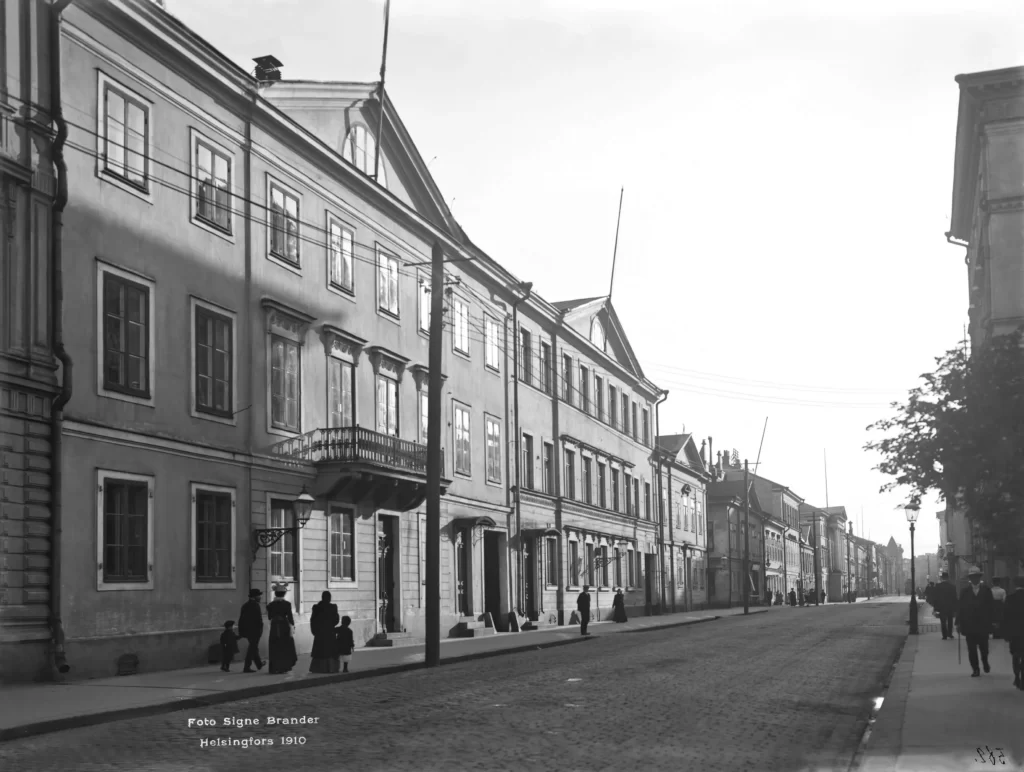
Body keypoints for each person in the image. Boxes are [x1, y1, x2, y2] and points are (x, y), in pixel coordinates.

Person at [956, 566, 994, 677]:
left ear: (979, 577)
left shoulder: (986, 590)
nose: (974, 579)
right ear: (970, 578)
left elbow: (991, 607)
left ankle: (985, 662)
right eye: (972, 577)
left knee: (984, 649)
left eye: (976, 577)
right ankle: (975, 669)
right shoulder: (965, 591)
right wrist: (958, 623)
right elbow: (960, 608)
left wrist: (993, 621)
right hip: (969, 625)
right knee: (971, 650)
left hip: (983, 625)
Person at [266, 583, 298, 674]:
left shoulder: (270, 605)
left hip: (274, 626)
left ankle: (274, 668)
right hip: (284, 626)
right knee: (284, 647)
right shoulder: (287, 604)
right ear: (284, 594)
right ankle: (283, 667)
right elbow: (290, 618)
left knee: (274, 647)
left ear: (275, 593)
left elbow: (269, 617)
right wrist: (292, 626)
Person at [308, 591, 340, 674]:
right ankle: (331, 668)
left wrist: (315, 631)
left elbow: (312, 620)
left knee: (320, 652)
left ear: (322, 598)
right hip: (330, 632)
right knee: (330, 652)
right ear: (329, 598)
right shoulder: (333, 607)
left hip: (320, 633)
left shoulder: (316, 607)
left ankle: (318, 669)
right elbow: (336, 620)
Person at [1003, 576, 1024, 690]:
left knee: (1015, 655)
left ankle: (1017, 677)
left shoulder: (1010, 598)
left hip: (1015, 633)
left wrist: (1006, 633)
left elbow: (1006, 617)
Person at [237, 588, 265, 673]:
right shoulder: (255, 605)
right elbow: (258, 620)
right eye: (259, 596)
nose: (260, 597)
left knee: (254, 647)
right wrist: (260, 630)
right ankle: (246, 667)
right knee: (252, 648)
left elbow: (241, 620)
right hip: (255, 631)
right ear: (255, 596)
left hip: (247, 631)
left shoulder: (245, 605)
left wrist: (241, 632)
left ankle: (259, 664)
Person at [933, 572, 958, 641]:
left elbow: (936, 598)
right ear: (948, 578)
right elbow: (954, 598)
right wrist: (955, 608)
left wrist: (935, 608)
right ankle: (950, 634)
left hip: (941, 607)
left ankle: (944, 635)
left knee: (943, 621)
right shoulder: (952, 586)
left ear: (942, 578)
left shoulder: (938, 586)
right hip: (950, 607)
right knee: (950, 621)